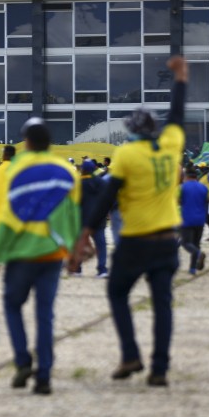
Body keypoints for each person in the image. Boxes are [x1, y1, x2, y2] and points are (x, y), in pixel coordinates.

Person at [73, 55, 189, 387]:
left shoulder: (126, 155)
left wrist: (85, 232)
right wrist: (181, 78)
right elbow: (178, 114)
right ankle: (160, 368)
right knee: (163, 305)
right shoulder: (171, 146)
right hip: (168, 239)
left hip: (137, 240)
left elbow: (106, 197)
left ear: (131, 132)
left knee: (118, 293)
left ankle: (130, 353)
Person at [0, 118, 80, 395]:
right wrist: (74, 251)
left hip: (21, 254)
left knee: (13, 306)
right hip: (52, 254)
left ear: (28, 142)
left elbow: (9, 217)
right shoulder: (67, 170)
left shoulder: (17, 169)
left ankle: (23, 361)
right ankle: (44, 374)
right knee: (45, 313)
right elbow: (71, 215)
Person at [180, 168, 209, 275]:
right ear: (196, 177)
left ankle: (199, 254)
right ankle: (192, 268)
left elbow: (175, 202)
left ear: (185, 176)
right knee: (196, 243)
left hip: (187, 219)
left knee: (185, 243)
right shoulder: (204, 188)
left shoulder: (182, 188)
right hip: (200, 220)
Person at [77, 160, 108, 278]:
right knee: (101, 244)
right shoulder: (103, 183)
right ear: (94, 169)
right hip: (99, 218)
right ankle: (102, 269)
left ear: (83, 169)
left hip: (82, 218)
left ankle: (77, 269)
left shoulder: (78, 184)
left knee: (80, 243)